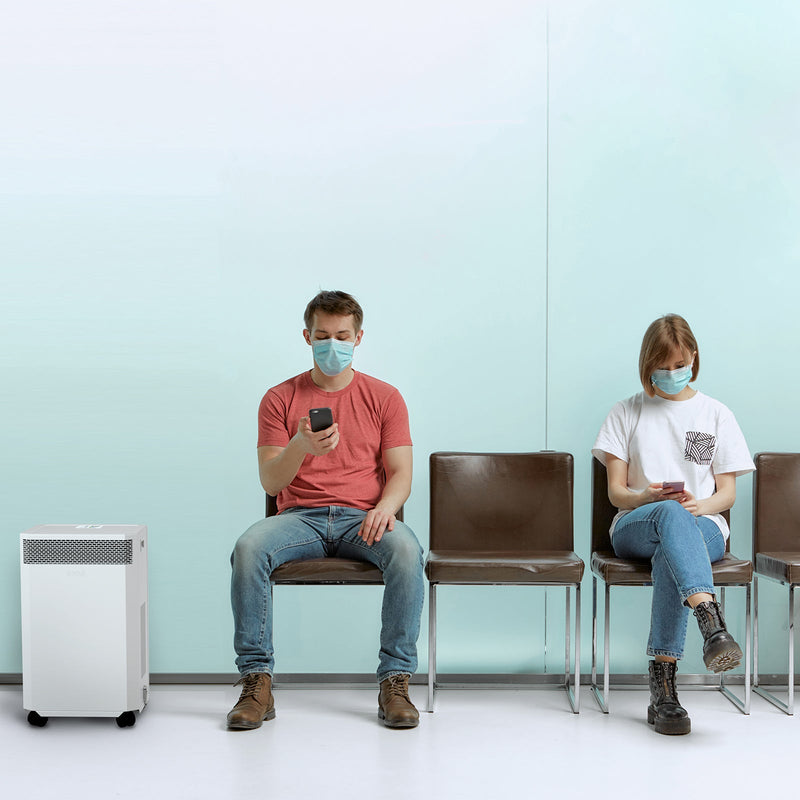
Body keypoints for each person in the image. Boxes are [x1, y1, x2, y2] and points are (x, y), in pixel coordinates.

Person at [228, 290, 424, 730]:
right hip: (299, 519)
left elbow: (401, 474)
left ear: (358, 338)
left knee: (408, 551)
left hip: (364, 518)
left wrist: (386, 507)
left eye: (341, 336)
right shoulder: (278, 398)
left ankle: (395, 680)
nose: (331, 345)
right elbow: (271, 482)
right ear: (306, 336)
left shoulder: (385, 397)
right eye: (322, 336)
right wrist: (300, 443)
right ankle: (256, 681)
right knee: (248, 548)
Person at [592, 314, 754, 735]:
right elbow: (616, 493)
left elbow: (727, 494)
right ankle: (710, 621)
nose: (670, 373)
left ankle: (663, 690)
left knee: (673, 546)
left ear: (693, 358)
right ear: (647, 365)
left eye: (678, 364)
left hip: (702, 525)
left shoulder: (716, 414)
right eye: (661, 367)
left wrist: (699, 506)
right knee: (668, 515)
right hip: (636, 522)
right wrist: (647, 495)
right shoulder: (626, 411)